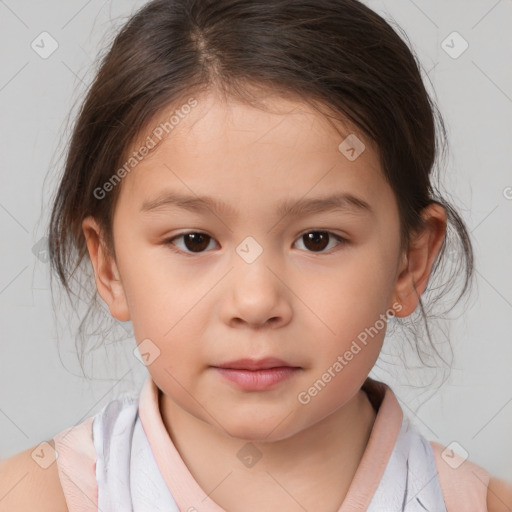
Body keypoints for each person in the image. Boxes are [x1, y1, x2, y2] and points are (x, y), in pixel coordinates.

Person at [1, 0, 511, 510]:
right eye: (194, 240)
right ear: (108, 265)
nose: (255, 302)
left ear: (410, 262)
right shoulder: (32, 497)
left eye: (317, 239)